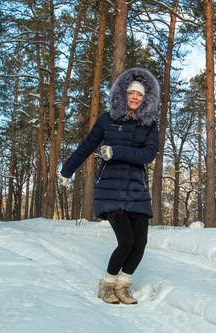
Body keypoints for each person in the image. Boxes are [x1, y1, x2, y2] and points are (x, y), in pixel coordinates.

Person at [60, 67, 160, 305]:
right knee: (126, 241)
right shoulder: (107, 120)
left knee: (140, 242)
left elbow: (148, 154)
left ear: (146, 99)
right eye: (131, 93)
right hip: (110, 188)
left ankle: (123, 285)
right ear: (122, 94)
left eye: (140, 95)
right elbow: (86, 146)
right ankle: (106, 285)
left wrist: (115, 151)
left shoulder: (149, 125)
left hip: (137, 190)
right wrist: (67, 169)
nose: (135, 97)